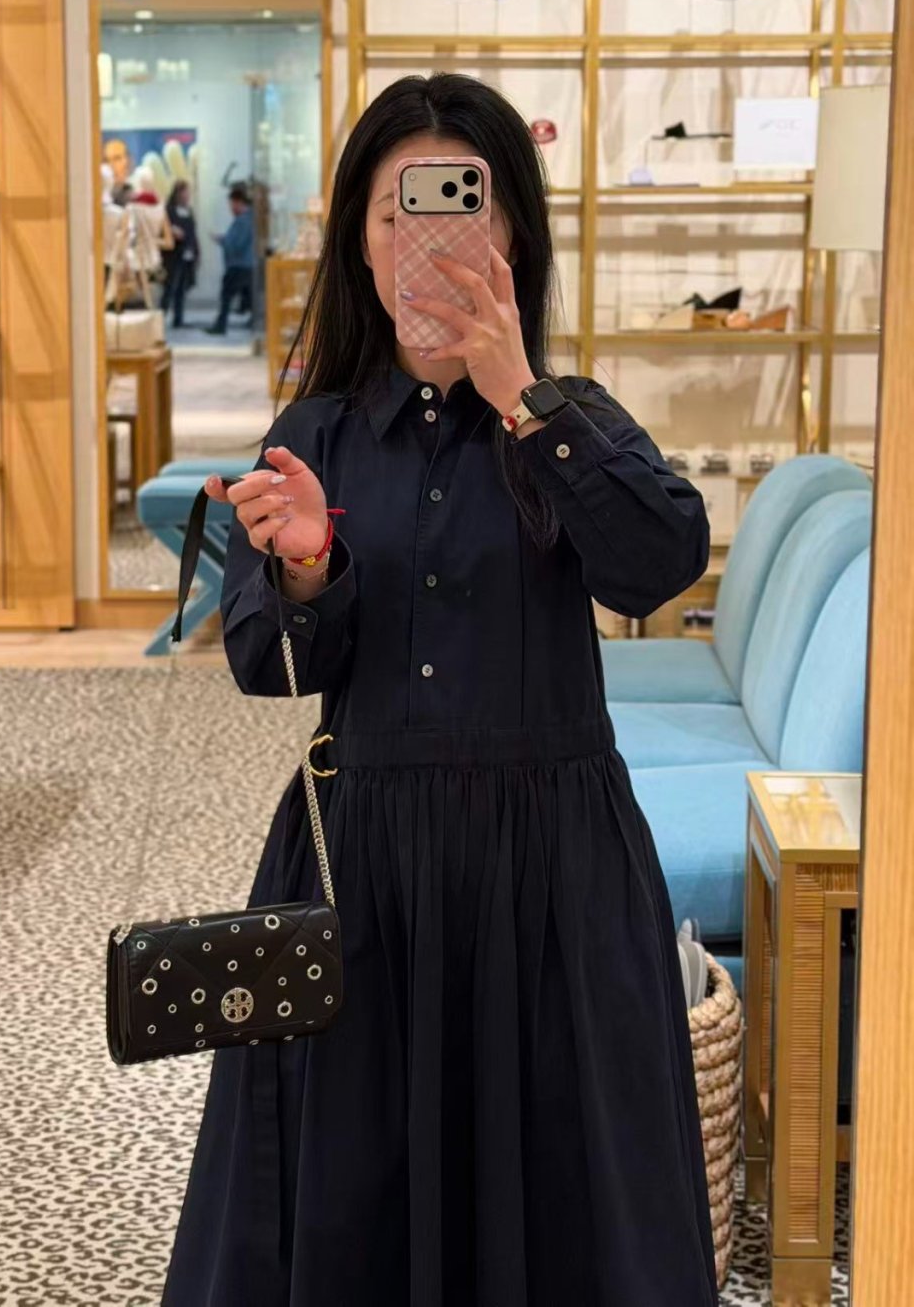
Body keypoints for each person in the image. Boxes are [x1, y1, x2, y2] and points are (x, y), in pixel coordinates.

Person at [162, 73, 719, 1306]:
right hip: (362, 868)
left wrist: (524, 397)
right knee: (352, 1186)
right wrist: (307, 566)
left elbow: (658, 561)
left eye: (462, 211)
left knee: (567, 1191)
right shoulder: (315, 431)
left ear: (511, 235)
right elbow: (265, 662)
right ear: (359, 245)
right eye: (393, 216)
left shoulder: (571, 419)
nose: (425, 245)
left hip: (554, 874)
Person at [205, 186, 254, 333]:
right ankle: (253, 321)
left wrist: (223, 240)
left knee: (226, 295)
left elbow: (237, 244)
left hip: (239, 265)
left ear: (238, 202)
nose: (231, 208)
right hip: (246, 264)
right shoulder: (248, 219)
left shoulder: (243, 221)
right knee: (249, 296)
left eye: (232, 204)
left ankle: (220, 326)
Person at [160, 179, 198, 328]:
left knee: (182, 288)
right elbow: (163, 228)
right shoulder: (169, 210)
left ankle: (178, 318)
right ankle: (161, 317)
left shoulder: (189, 211)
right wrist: (172, 231)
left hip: (187, 253)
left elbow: (192, 232)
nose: (187, 195)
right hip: (173, 255)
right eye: (185, 192)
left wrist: (195, 250)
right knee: (170, 287)